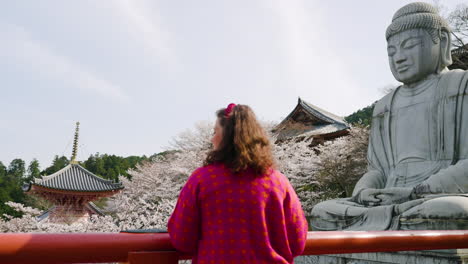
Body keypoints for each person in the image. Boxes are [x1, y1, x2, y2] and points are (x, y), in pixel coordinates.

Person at [310, 2, 468, 231]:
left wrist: (417, 191)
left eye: (409, 46)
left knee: (449, 211)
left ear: (442, 41)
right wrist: (364, 192)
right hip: (387, 199)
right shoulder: (385, 106)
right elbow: (378, 170)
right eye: (391, 52)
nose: (399, 58)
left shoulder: (461, 85)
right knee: (322, 211)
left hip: (436, 196)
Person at [168, 104, 308, 263]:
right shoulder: (279, 182)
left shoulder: (201, 179)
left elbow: (182, 240)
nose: (211, 138)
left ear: (227, 137)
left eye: (215, 132)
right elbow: (297, 242)